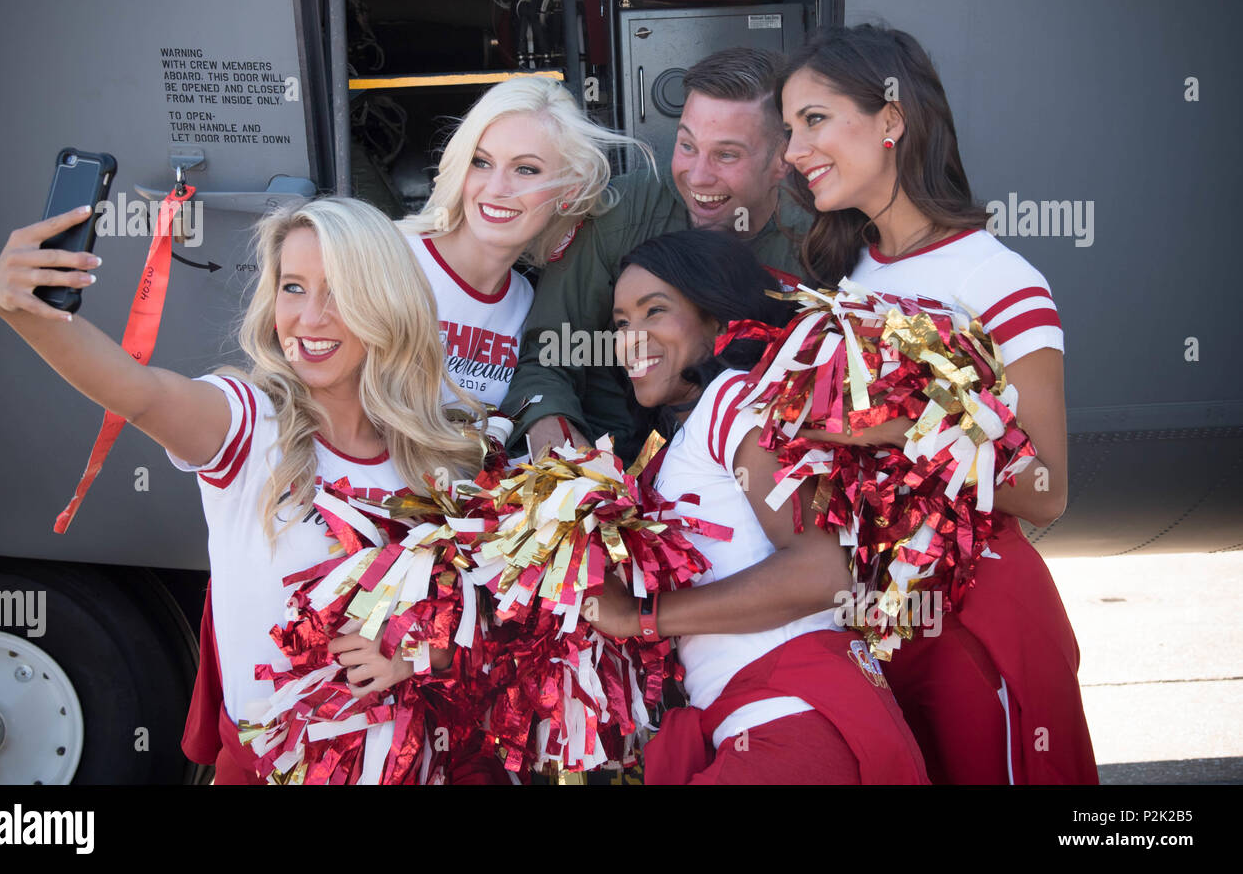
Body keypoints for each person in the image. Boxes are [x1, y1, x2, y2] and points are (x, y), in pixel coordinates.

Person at [0, 196, 500, 784]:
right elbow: (138, 392)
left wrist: (419, 652)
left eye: (337, 291)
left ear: (387, 301)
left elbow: (492, 616)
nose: (309, 318)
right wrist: (27, 311)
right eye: (293, 287)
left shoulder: (439, 449)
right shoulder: (249, 425)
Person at [778, 23, 1099, 784]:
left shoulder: (1000, 280)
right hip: (874, 626)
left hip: (975, 621)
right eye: (789, 128)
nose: (793, 149)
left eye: (814, 120)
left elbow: (1046, 491)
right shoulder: (846, 273)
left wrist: (893, 427)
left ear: (892, 119)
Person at [583, 229, 929, 785]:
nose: (630, 339)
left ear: (719, 323)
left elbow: (822, 573)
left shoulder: (733, 399)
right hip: (766, 719)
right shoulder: (680, 440)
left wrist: (639, 619)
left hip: (790, 720)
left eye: (655, 311)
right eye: (621, 322)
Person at [500, 48, 812, 461]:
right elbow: (551, 354)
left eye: (726, 154)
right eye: (687, 145)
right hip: (617, 465)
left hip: (763, 459)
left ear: (781, 161)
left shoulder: (817, 240)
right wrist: (562, 449)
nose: (697, 175)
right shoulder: (620, 213)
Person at [398, 75, 650, 410]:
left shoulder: (530, 304)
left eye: (526, 170)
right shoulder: (388, 255)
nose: (497, 187)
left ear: (570, 189)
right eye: (481, 162)